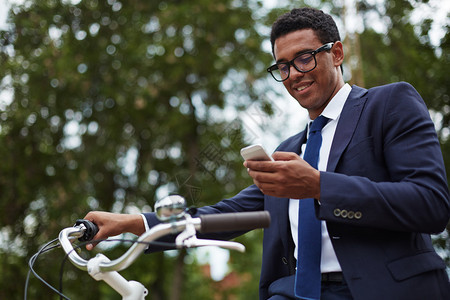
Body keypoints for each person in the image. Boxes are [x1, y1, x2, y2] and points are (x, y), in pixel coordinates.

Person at [84, 7, 450, 300]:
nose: (293, 74)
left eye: (304, 58)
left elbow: (431, 204)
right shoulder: (289, 152)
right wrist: (133, 225)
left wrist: (320, 186)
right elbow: (229, 214)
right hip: (293, 292)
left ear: (336, 53)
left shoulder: (388, 104)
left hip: (382, 289)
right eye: (283, 66)